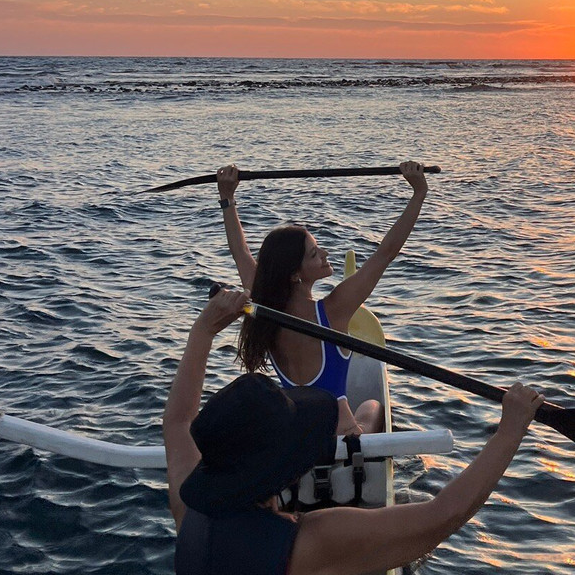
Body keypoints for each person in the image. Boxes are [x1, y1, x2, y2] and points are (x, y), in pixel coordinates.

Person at [163, 286, 544, 575]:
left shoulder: (189, 507)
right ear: (278, 470)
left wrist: (204, 329)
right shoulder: (310, 544)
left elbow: (178, 423)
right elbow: (439, 517)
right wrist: (509, 432)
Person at [215, 160, 428, 436]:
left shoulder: (264, 305)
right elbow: (385, 253)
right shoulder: (334, 309)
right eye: (315, 253)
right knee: (373, 406)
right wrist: (419, 193)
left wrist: (227, 198)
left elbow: (240, 252)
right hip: (342, 436)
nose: (324, 253)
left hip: (297, 438)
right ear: (295, 274)